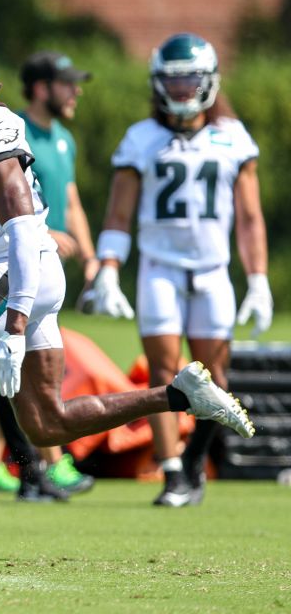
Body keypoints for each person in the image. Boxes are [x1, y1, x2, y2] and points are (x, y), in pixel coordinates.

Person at [0, 23, 254, 557]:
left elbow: (21, 227)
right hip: (9, 271)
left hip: (24, 268)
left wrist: (15, 324)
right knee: (47, 425)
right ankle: (179, 396)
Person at [86, 33, 270, 507]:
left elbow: (249, 218)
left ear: (209, 81)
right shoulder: (141, 138)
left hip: (212, 269)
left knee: (216, 374)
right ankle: (172, 472)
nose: (183, 89)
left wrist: (258, 279)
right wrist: (108, 267)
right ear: (157, 83)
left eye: (191, 79)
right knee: (165, 372)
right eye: (174, 80)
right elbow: (119, 214)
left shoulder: (232, 136)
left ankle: (195, 463)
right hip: (160, 268)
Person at [10, 50, 101, 495]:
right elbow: (7, 197)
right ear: (42, 88)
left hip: (52, 267)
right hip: (19, 262)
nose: (75, 91)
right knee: (31, 365)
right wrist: (46, 232)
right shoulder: (15, 131)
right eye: (67, 83)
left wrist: (91, 258)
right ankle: (53, 459)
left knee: (14, 364)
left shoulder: (64, 137)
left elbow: (72, 197)